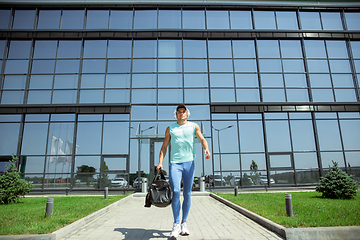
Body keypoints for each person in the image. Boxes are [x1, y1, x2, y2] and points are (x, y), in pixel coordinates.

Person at [156, 104, 210, 239]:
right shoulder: (170, 128)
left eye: (183, 111)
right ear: (176, 114)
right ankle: (176, 224)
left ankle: (184, 223)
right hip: (175, 163)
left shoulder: (193, 126)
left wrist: (206, 148)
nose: (181, 114)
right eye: (179, 112)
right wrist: (160, 162)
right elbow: (164, 146)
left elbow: (202, 138)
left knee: (187, 193)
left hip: (189, 163)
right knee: (175, 192)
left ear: (187, 114)